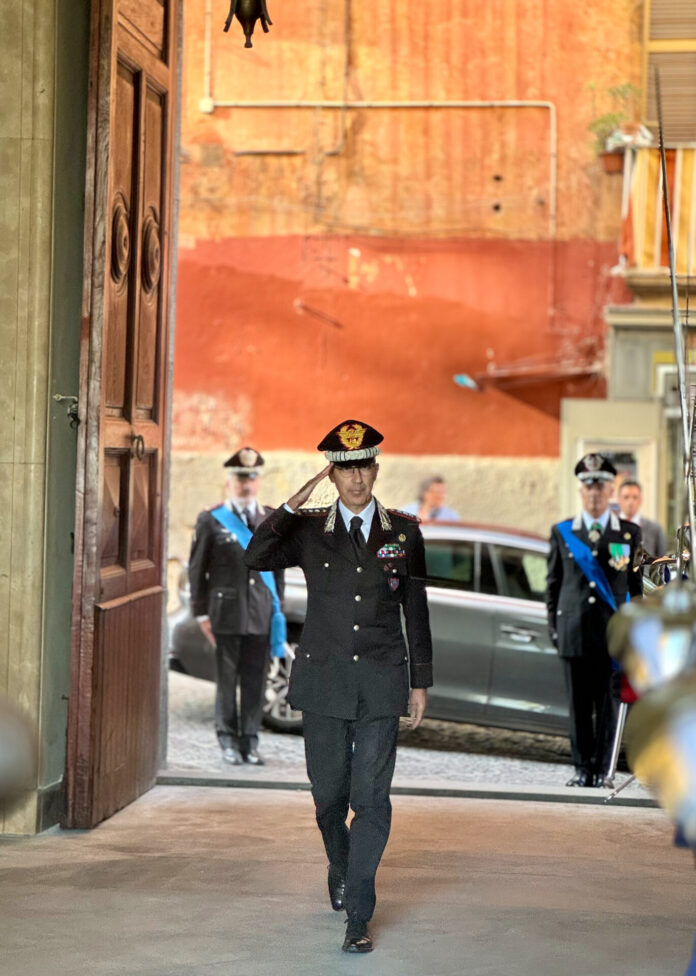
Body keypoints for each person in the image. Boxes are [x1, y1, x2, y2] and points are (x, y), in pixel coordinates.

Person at [244, 419, 433, 954]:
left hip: (380, 679)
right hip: (324, 681)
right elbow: (255, 557)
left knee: (371, 799)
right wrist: (294, 497)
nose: (356, 479)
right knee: (329, 797)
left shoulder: (403, 532)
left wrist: (421, 681)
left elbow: (414, 611)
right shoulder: (307, 529)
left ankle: (359, 912)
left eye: (364, 467)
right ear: (333, 474)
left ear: (376, 468)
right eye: (345, 469)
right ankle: (340, 862)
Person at [545, 453, 642, 789]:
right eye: (588, 485)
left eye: (601, 484)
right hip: (574, 631)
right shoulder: (562, 532)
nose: (595, 491)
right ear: (581, 490)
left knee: (608, 705)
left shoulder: (629, 534)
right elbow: (553, 586)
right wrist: (556, 630)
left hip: (612, 635)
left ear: (611, 488)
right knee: (578, 707)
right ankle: (581, 768)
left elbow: (634, 589)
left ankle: (602, 770)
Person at [188, 447, 285, 767]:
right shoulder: (211, 520)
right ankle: (227, 741)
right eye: (240, 479)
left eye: (252, 479)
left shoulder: (271, 519)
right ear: (229, 481)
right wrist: (201, 613)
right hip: (225, 614)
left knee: (256, 682)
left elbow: (278, 571)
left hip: (260, 613)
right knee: (227, 682)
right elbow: (196, 569)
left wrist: (277, 611)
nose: (246, 485)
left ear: (258, 481)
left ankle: (251, 742)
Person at [618, 478, 667, 557]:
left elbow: (662, 561)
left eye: (635, 497)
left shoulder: (655, 529)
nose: (630, 502)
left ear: (640, 500)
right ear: (619, 500)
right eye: (626, 497)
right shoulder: (610, 527)